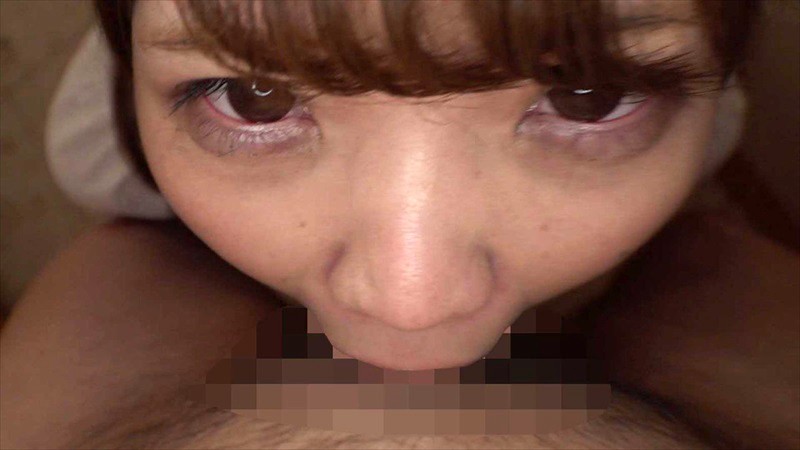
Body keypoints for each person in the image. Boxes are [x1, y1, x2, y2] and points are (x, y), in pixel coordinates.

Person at [2, 0, 797, 448]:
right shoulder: (108, 158)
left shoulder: (704, 117)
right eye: (255, 98)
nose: (412, 303)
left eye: (588, 96)